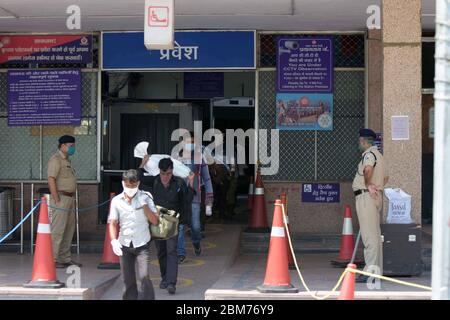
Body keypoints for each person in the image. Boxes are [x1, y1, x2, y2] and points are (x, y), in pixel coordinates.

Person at [138, 157, 195, 294]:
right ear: (159, 171)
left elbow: (187, 200)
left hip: (173, 221)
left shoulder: (179, 183)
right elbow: (138, 180)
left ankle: (171, 283)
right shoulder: (155, 181)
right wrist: (143, 163)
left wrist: (191, 183)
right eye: (163, 174)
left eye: (168, 174)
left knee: (171, 250)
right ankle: (164, 278)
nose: (165, 177)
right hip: (157, 221)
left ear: (172, 171)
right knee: (161, 251)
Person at [108, 169, 159, 300]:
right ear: (123, 184)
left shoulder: (146, 197)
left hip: (142, 243)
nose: (131, 188)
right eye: (128, 185)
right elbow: (113, 223)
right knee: (127, 279)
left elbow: (155, 220)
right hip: (124, 244)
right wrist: (113, 241)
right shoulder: (116, 201)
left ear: (138, 183)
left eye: (134, 185)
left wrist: (145, 206)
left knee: (144, 276)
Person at [352, 128, 389, 283]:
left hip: (366, 197)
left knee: (369, 237)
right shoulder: (379, 156)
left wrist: (368, 184)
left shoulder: (369, 155)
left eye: (360, 141)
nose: (359, 144)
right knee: (374, 234)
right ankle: (376, 270)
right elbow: (386, 178)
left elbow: (368, 169)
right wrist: (377, 188)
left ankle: (370, 272)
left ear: (363, 141)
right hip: (374, 197)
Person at [47, 135, 81, 268]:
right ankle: (53, 259)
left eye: (73, 146)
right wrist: (56, 200)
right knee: (58, 230)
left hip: (70, 198)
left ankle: (64, 258)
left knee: (68, 229)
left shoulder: (67, 160)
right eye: (70, 146)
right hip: (61, 198)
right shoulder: (56, 159)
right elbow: (51, 179)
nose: (73, 148)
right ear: (62, 146)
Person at [178, 133, 214, 258]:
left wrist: (209, 200)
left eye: (193, 142)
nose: (191, 144)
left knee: (196, 226)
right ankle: (181, 253)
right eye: (188, 142)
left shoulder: (199, 159)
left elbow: (207, 179)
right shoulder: (177, 159)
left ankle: (196, 243)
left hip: (194, 197)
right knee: (180, 227)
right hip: (180, 199)